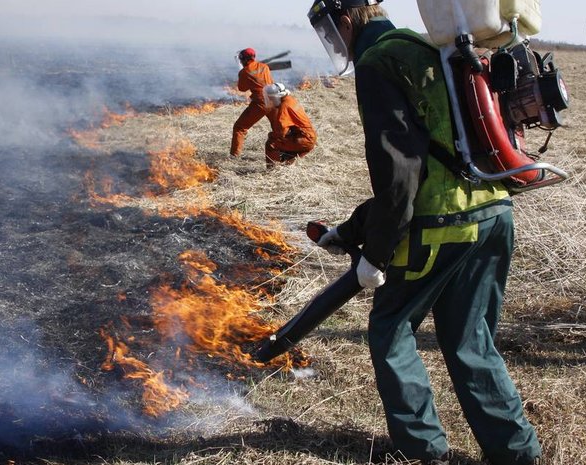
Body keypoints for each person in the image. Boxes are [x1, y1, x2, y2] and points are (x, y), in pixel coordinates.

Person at [306, 1, 542, 464]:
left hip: (441, 225)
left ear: (349, 20)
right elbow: (433, 161)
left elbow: (401, 177)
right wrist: (349, 230)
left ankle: (422, 452)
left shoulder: (378, 63)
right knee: (471, 339)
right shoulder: (426, 44)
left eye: (333, 32)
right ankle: (517, 454)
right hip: (494, 211)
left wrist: (376, 254)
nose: (336, 43)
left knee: (391, 328)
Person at [230, 48, 274, 158]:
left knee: (239, 128)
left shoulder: (244, 72)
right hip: (275, 100)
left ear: (243, 59)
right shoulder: (264, 66)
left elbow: (242, 89)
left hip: (261, 103)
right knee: (279, 129)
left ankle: (234, 156)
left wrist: (242, 73)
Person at [262, 83, 317, 168]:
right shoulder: (290, 99)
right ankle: (287, 161)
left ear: (278, 96)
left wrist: (271, 135)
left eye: (271, 98)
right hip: (308, 137)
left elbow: (281, 132)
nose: (271, 100)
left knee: (271, 143)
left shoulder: (284, 107)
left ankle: (272, 170)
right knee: (285, 150)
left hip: (303, 140)